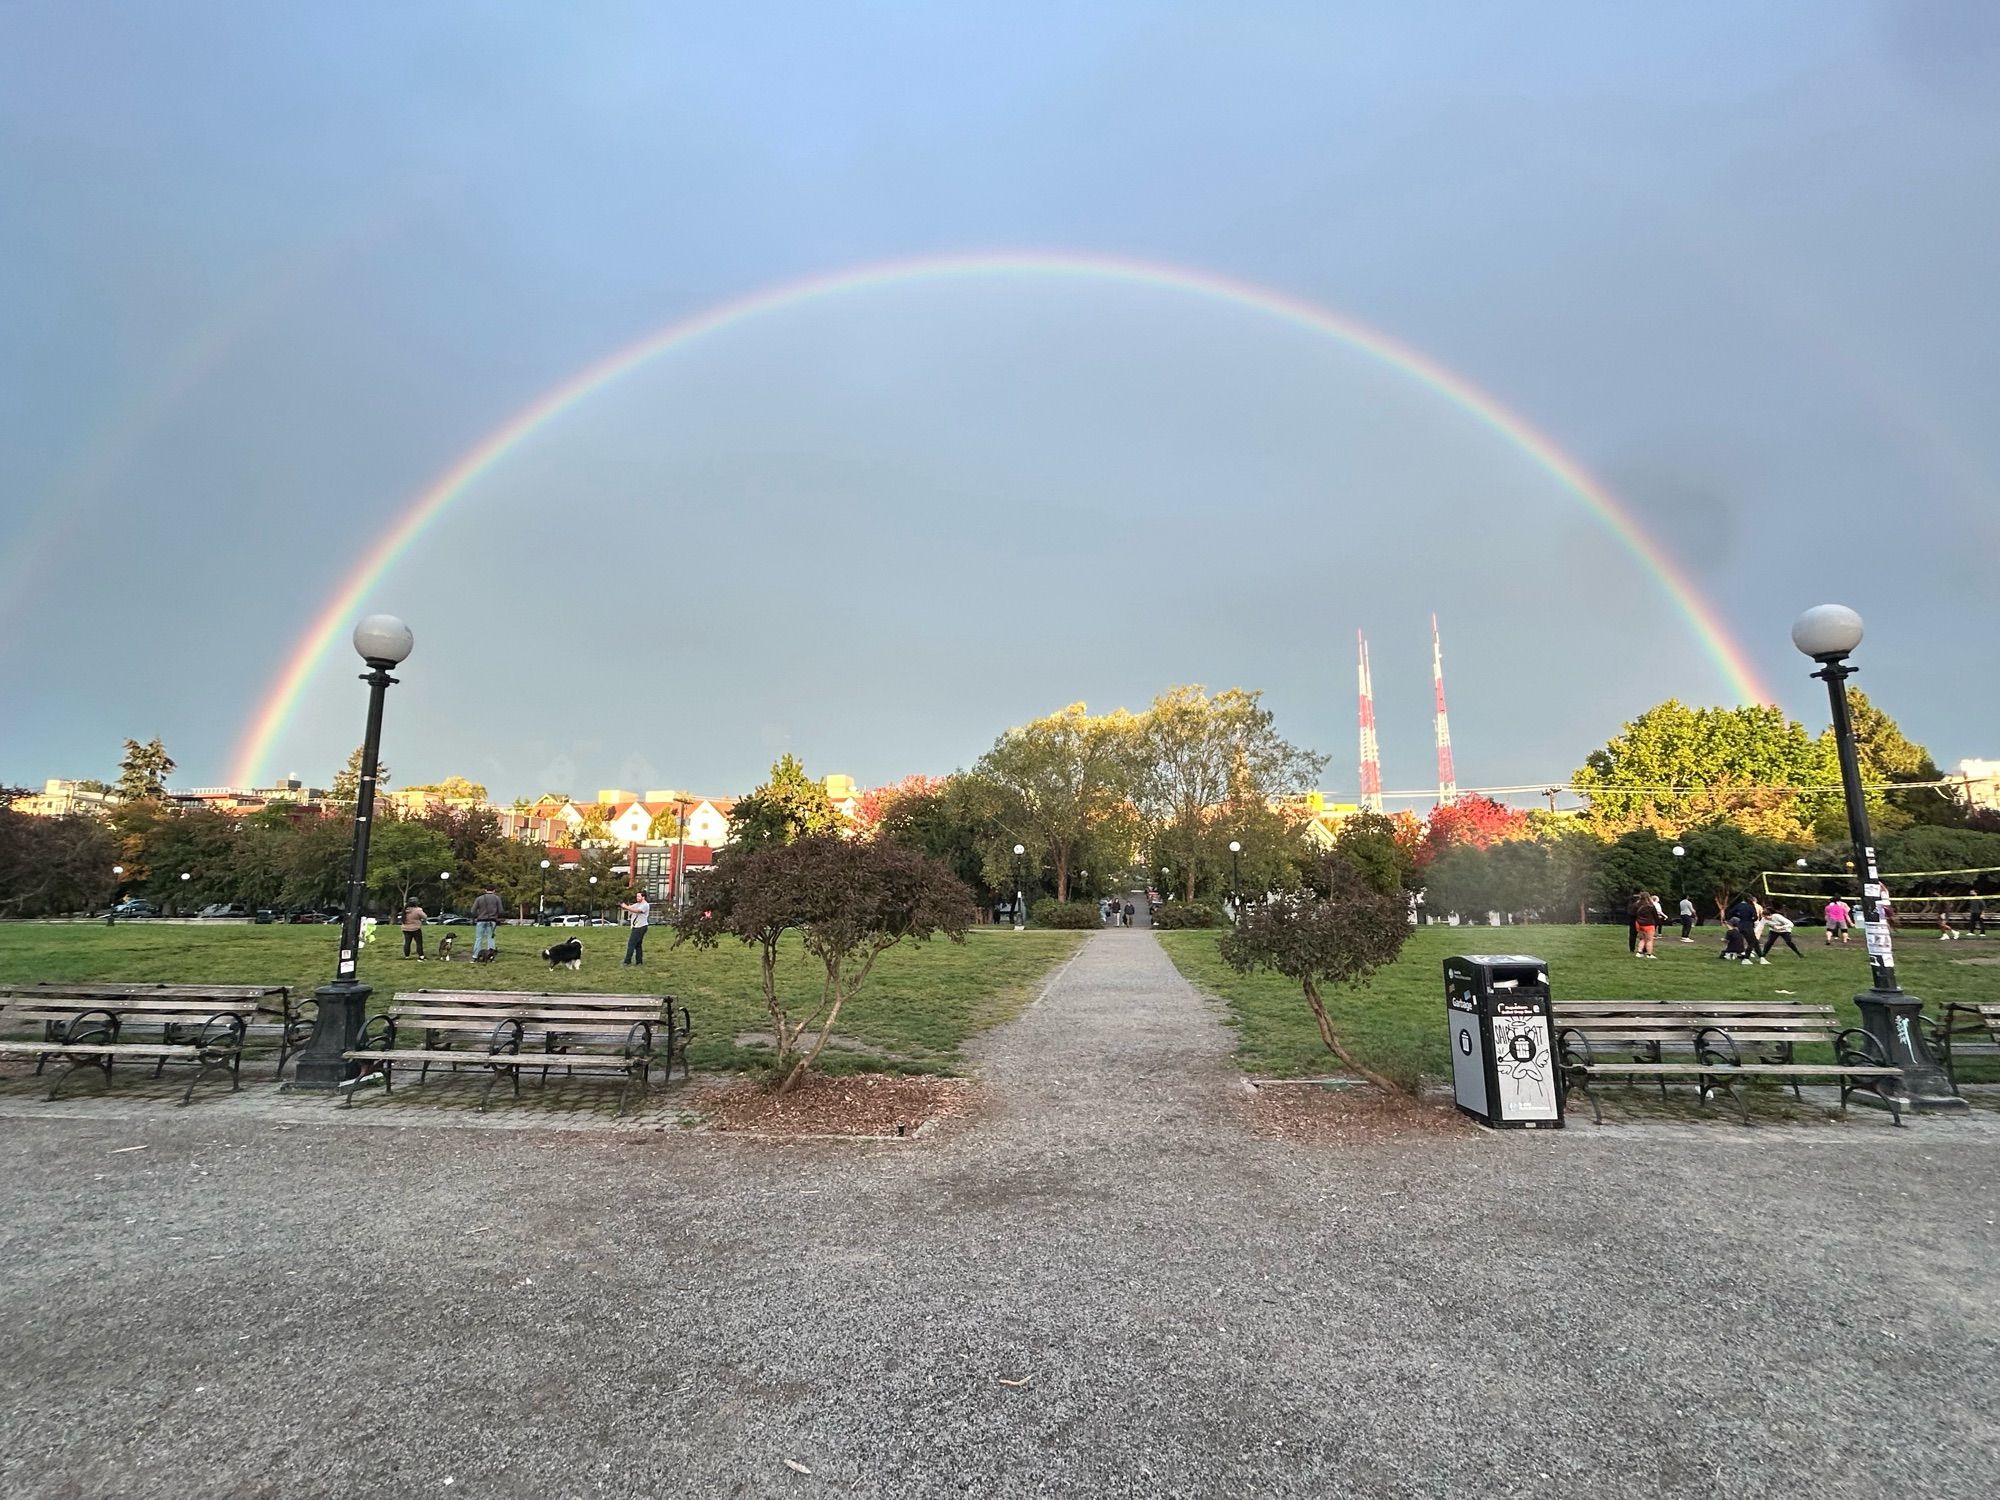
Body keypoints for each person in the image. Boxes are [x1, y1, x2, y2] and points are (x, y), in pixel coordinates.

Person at [471, 884, 504, 961]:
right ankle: (491, 956)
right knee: (491, 938)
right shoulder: (497, 898)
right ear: (494, 890)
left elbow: (473, 910)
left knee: (478, 938)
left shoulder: (479, 898)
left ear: (485, 890)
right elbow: (501, 911)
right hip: (492, 921)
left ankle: (475, 956)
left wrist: (479, 914)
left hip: (481, 920)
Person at [1631, 891, 1666, 958]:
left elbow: (1633, 913)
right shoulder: (1650, 906)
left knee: (1642, 939)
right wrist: (1657, 922)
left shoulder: (1637, 905)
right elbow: (1655, 915)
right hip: (1648, 924)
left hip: (1639, 923)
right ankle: (1649, 954)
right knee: (1649, 940)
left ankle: (1639, 952)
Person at [620, 891, 651, 965]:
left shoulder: (645, 905)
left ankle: (627, 961)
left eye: (639, 896)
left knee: (631, 944)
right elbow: (630, 908)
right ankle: (639, 962)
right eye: (637, 896)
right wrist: (622, 905)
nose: (637, 898)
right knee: (638, 945)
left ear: (643, 897)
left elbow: (637, 910)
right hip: (636, 926)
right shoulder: (637, 904)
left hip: (640, 927)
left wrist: (625, 906)